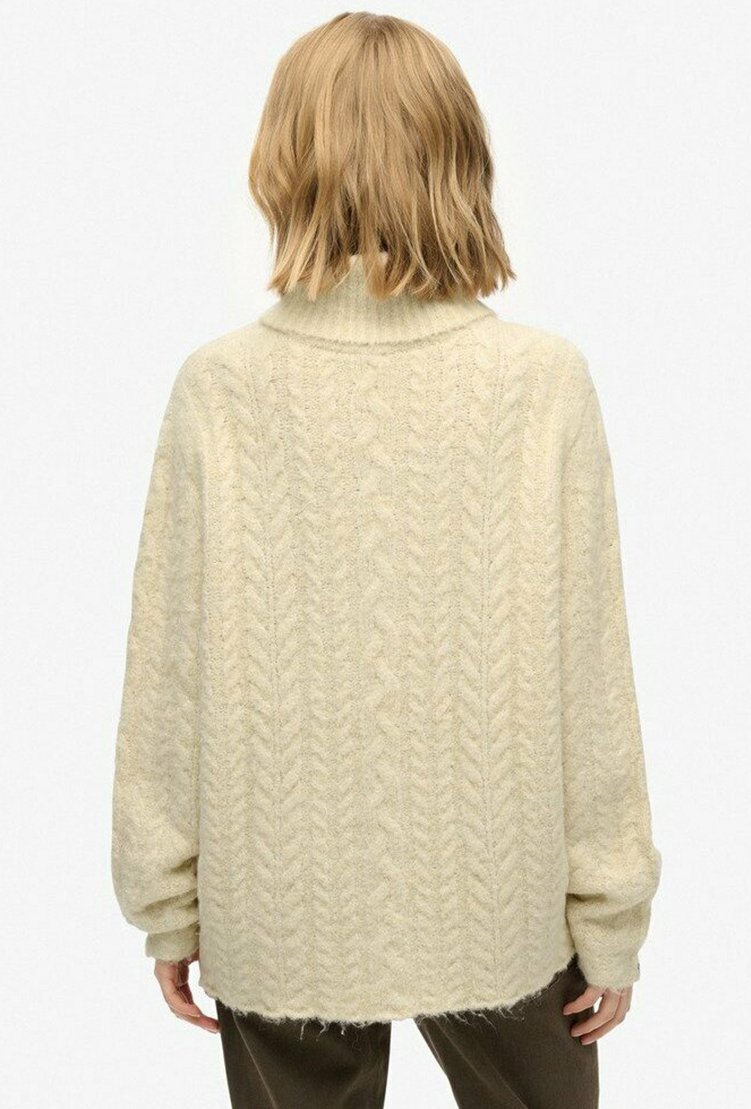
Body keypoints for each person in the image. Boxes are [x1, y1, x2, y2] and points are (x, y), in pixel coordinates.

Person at [110, 11, 662, 1108]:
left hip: (279, 901)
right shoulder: (539, 381)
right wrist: (609, 914)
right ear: (461, 159)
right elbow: (589, 674)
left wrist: (167, 900)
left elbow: (169, 675)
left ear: (282, 164)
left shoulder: (221, 387)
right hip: (503, 899)